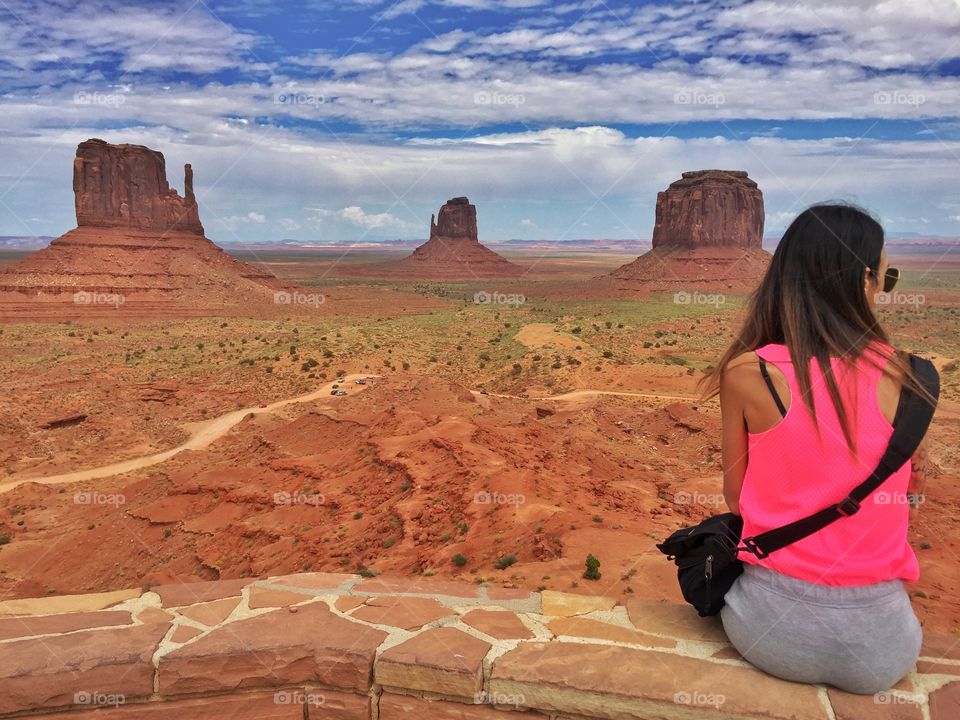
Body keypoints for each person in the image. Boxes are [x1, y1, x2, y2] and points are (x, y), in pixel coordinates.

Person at [697, 203, 936, 695]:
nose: (884, 289)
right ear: (866, 278)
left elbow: (738, 499)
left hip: (771, 632)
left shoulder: (750, 372)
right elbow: (910, 496)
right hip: (883, 647)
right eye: (886, 278)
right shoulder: (915, 377)